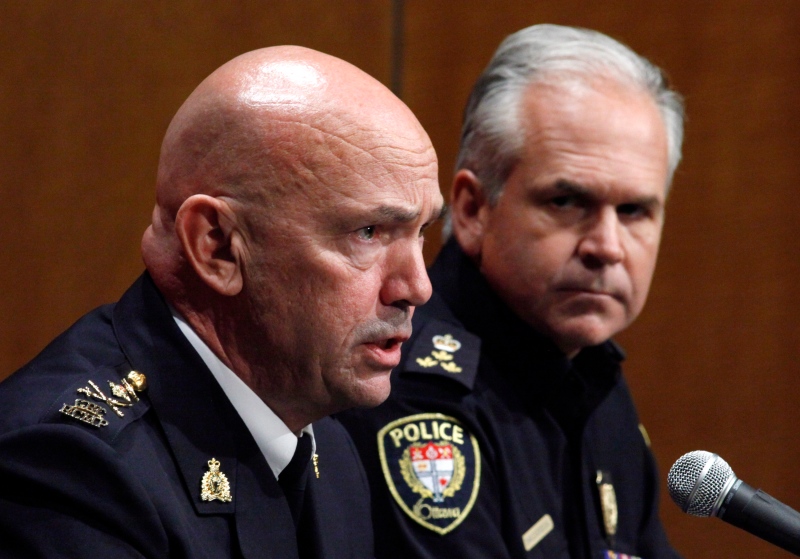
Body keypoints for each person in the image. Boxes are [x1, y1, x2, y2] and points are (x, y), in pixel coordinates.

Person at [0, 46, 443, 558]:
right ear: (217, 247)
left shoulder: (328, 442)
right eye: (368, 233)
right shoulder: (70, 477)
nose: (417, 287)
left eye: (422, 231)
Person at [339, 24, 685, 559]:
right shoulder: (411, 396)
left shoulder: (594, 378)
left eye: (635, 210)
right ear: (474, 210)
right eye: (567, 202)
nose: (607, 247)